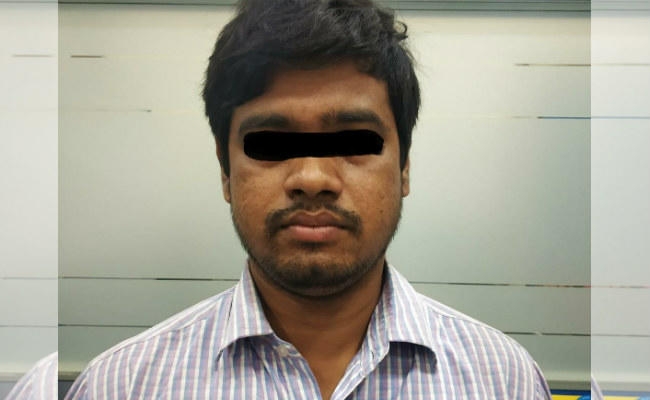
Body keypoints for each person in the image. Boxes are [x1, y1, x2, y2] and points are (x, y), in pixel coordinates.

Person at [65, 0, 552, 398]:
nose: (313, 177)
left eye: (354, 139)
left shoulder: (503, 380)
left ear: (404, 166)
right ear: (225, 171)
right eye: (271, 143)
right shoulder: (122, 386)